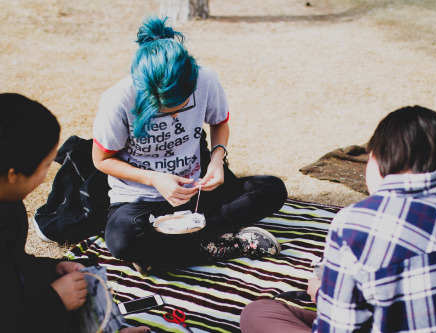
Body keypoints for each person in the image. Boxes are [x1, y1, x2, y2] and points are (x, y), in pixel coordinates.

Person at [240, 106, 436, 332]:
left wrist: (321, 293)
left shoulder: (354, 223)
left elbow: (340, 328)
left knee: (258, 313)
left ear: (375, 157)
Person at [92, 16, 287, 273]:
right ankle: (226, 245)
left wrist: (217, 160)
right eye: (162, 107)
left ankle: (168, 251)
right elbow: (101, 159)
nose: (174, 116)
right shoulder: (117, 99)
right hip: (140, 201)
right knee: (122, 242)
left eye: (181, 104)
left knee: (272, 189)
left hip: (197, 192)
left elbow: (219, 123)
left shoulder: (206, 79)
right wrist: (155, 179)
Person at [0, 93, 150, 332]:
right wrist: (54, 299)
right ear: (13, 174)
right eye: (46, 165)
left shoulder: (8, 202)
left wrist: (53, 270)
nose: (45, 177)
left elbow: (12, 267)